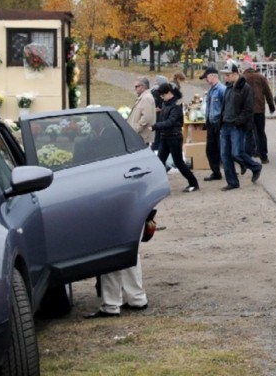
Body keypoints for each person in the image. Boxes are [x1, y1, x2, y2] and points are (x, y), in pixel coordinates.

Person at [85, 81, 156, 319]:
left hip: (113, 209)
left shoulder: (101, 148)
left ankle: (111, 304)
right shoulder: (127, 144)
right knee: (130, 254)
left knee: (110, 257)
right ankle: (136, 298)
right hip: (132, 208)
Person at [219, 63, 262, 191]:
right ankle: (232, 182)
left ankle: (255, 166)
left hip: (236, 126)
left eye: (228, 75)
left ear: (235, 74)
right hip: (225, 125)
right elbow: (225, 106)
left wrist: (238, 122)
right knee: (225, 155)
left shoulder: (245, 88)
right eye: (225, 75)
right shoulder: (228, 87)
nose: (226, 77)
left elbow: (248, 109)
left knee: (237, 153)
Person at [150, 83, 199, 193]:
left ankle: (193, 183)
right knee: (159, 161)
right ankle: (158, 185)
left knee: (178, 162)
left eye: (163, 95)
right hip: (164, 137)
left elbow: (170, 122)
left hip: (174, 137)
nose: (162, 98)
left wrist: (155, 126)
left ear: (168, 93)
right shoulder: (165, 103)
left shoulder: (176, 106)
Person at [242, 59, 275, 163]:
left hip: (247, 110)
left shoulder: (243, 78)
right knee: (261, 133)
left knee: (248, 133)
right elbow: (268, 92)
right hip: (260, 109)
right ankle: (264, 156)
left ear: (244, 69)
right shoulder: (260, 77)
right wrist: (271, 105)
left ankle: (247, 157)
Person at [199, 67, 226, 181]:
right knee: (210, 150)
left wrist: (222, 121)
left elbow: (225, 107)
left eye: (207, 77)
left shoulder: (221, 89)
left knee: (223, 149)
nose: (206, 79)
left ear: (213, 76)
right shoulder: (211, 90)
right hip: (210, 123)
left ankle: (236, 168)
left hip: (219, 123)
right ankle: (216, 172)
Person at [127, 77, 156, 146]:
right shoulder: (142, 97)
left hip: (142, 136)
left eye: (136, 86)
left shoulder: (146, 98)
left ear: (143, 87)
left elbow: (146, 117)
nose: (135, 88)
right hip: (139, 135)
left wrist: (136, 129)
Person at [150, 75, 169, 152]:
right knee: (158, 136)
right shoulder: (157, 92)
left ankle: (155, 148)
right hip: (158, 116)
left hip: (156, 116)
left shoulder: (152, 90)